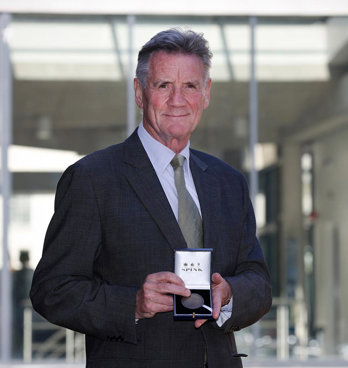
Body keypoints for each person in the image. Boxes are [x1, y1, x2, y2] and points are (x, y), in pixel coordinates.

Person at [30, 28, 272, 368]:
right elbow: (51, 290)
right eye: (163, 86)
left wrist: (229, 294)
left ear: (206, 93)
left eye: (190, 86)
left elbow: (258, 281)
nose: (178, 100)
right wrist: (133, 304)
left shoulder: (228, 182)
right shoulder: (92, 179)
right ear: (140, 92)